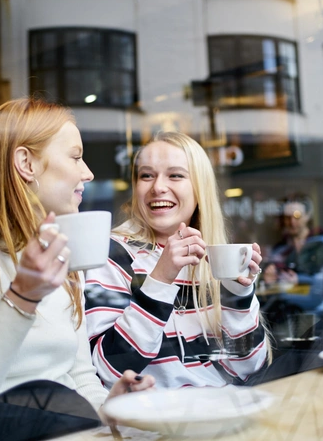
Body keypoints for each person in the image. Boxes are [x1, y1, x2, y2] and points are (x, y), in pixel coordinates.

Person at [0, 98, 153, 440]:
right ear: (26, 163)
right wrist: (22, 298)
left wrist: (110, 411)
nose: (88, 173)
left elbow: (79, 378)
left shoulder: (62, 254)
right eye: (76, 156)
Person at [84, 132, 269, 390]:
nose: (158, 187)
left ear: (198, 188)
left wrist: (238, 293)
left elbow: (247, 365)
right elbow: (106, 370)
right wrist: (161, 278)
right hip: (149, 421)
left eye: (175, 175)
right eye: (146, 175)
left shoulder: (211, 258)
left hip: (218, 412)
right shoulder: (111, 254)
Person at [260, 195, 316, 291]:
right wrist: (269, 279)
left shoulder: (319, 244)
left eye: (297, 216)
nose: (292, 222)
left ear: (307, 216)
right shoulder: (279, 249)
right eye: (287, 217)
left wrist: (300, 280)